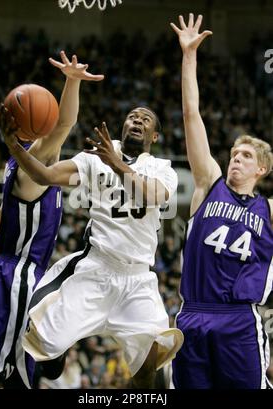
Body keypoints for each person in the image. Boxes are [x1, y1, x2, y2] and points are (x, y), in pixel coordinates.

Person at [2, 104, 184, 388]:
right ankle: (54, 355)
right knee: (42, 349)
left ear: (155, 136)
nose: (137, 120)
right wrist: (13, 146)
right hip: (97, 267)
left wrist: (117, 164)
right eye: (132, 116)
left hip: (138, 279)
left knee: (148, 367)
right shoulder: (95, 158)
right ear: (123, 126)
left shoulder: (163, 169)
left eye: (145, 119)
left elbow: (152, 196)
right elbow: (46, 176)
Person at [0, 51, 104, 389]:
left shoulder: (21, 167)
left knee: (8, 370)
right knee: (11, 374)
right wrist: (72, 81)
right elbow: (65, 124)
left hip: (7, 275)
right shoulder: (33, 162)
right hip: (20, 276)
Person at [171, 13, 273, 389]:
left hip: (239, 319)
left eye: (246, 156)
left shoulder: (268, 209)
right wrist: (189, 56)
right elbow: (190, 115)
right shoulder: (207, 183)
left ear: (261, 169)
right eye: (234, 152)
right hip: (193, 314)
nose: (236, 158)